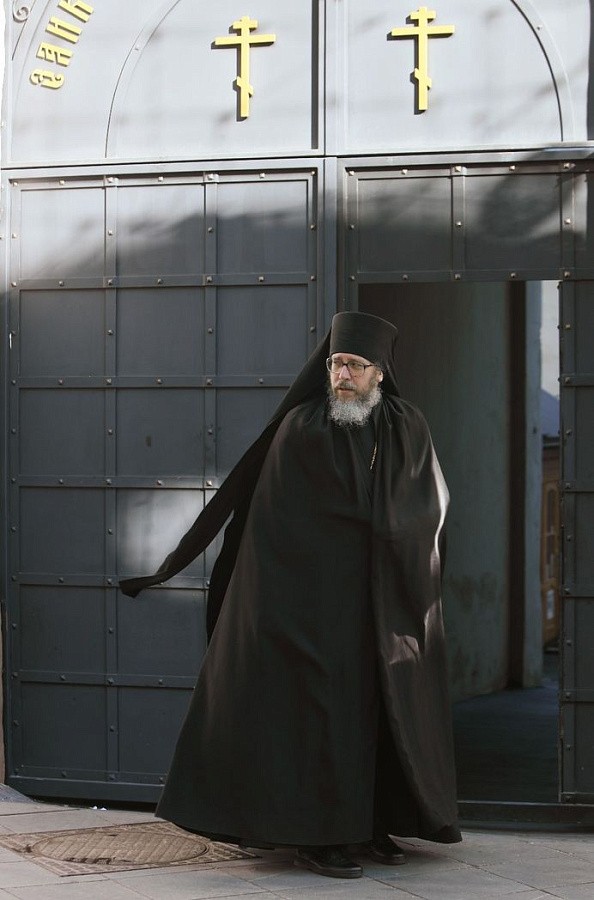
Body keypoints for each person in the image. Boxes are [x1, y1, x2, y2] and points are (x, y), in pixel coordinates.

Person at [120, 311, 461, 879]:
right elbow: (280, 528)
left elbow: (430, 507)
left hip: (384, 604)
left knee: (383, 713)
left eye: (355, 365)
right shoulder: (303, 429)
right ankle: (317, 837)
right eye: (335, 364)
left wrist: (398, 546)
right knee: (321, 719)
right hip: (309, 606)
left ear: (380, 372)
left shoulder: (408, 426)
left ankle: (374, 824)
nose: (342, 375)